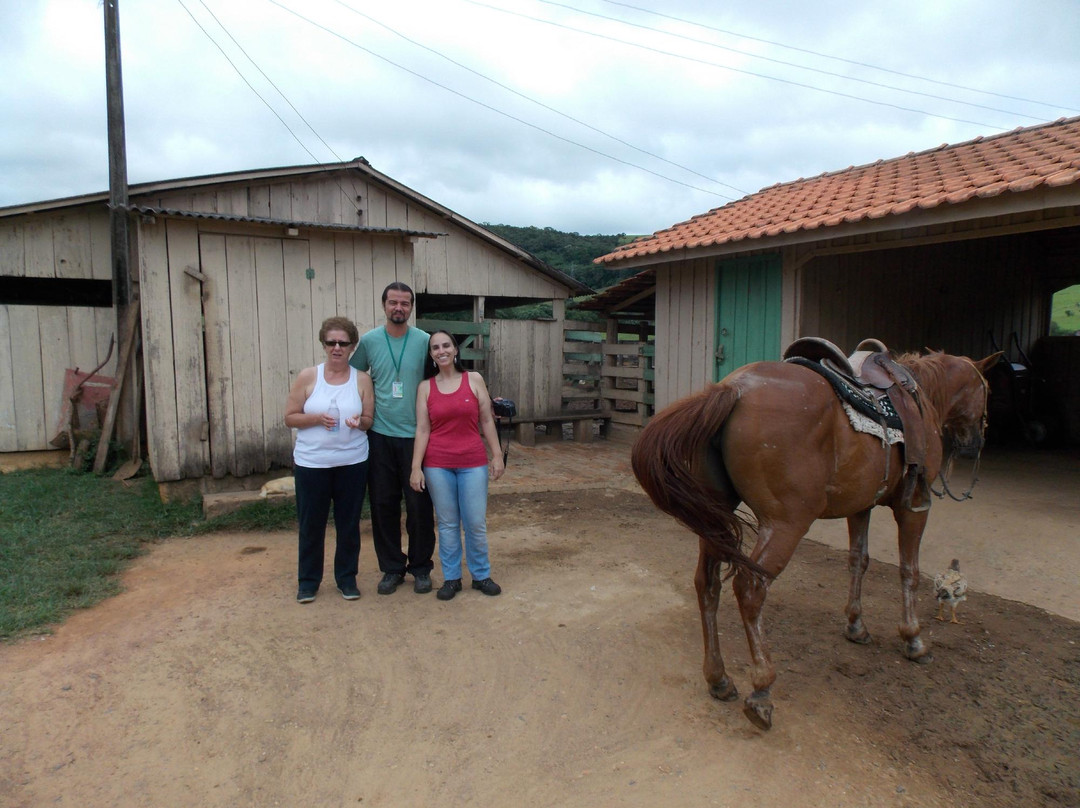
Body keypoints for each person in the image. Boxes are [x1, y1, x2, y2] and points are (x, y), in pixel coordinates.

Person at [349, 282, 437, 595]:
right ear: (384, 305)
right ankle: (392, 568)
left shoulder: (424, 341)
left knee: (419, 507)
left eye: (405, 303)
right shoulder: (370, 341)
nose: (398, 308)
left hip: (417, 437)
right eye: (393, 302)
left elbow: (443, 378)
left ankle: (421, 567)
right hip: (380, 436)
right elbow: (354, 377)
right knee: (383, 505)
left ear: (411, 307)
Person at [284, 316, 375, 603]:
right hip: (313, 463)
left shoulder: (362, 379)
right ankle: (308, 582)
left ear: (352, 346)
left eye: (343, 343)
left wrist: (358, 422)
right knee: (311, 524)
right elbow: (290, 417)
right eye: (331, 342)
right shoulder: (308, 377)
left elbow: (369, 420)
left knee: (348, 524)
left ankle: (346, 579)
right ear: (323, 344)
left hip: (352, 462)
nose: (337, 348)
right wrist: (315, 418)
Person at [409, 330, 505, 600]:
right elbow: (423, 429)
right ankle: (451, 578)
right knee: (448, 523)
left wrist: (497, 455)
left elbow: (486, 420)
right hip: (438, 464)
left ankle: (481, 575)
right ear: (431, 355)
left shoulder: (473, 379)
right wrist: (416, 467)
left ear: (455, 349)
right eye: (435, 347)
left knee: (475, 522)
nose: (441, 351)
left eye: (446, 345)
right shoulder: (425, 387)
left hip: (472, 462)